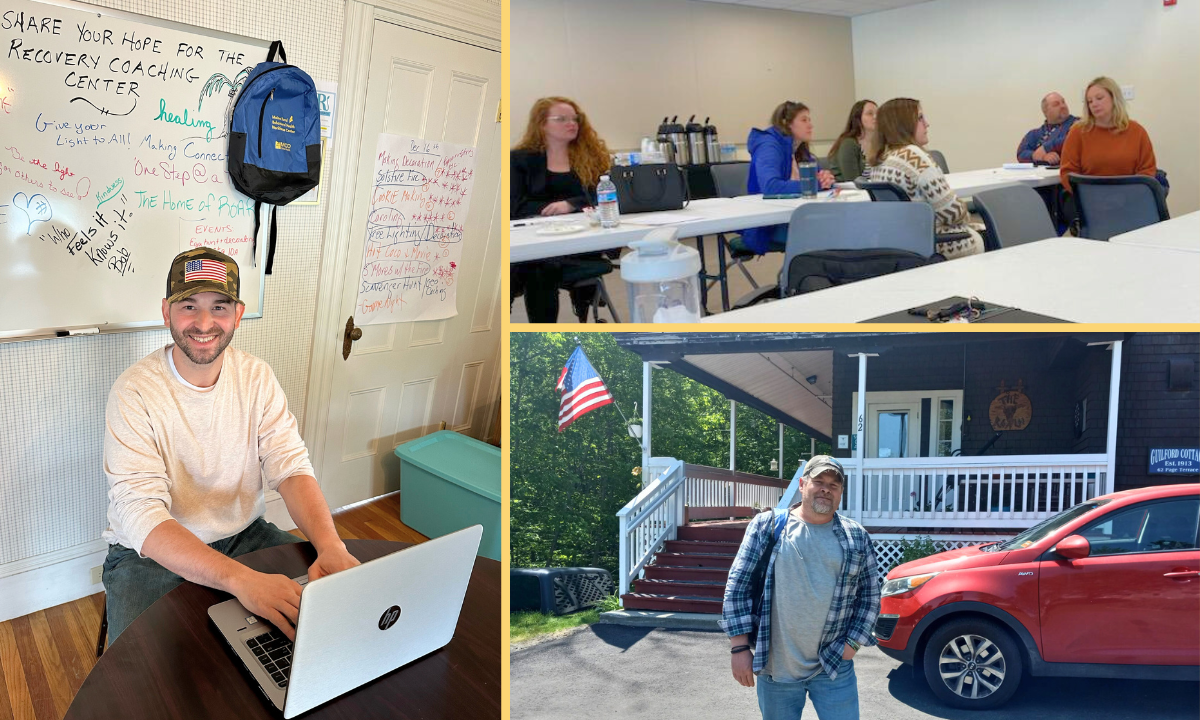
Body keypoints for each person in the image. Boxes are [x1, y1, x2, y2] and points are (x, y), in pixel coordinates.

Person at [101, 247, 361, 644]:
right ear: (167, 312)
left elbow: (290, 467)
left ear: (237, 314)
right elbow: (142, 514)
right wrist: (241, 580)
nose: (204, 323)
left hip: (245, 534)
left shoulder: (256, 376)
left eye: (219, 307)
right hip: (148, 557)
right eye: (189, 305)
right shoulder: (134, 391)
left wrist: (331, 546)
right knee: (139, 676)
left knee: (333, 615)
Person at [722, 456, 880, 720]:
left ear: (841, 492)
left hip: (833, 666)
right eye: (818, 481)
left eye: (834, 485)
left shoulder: (856, 536)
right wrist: (739, 648)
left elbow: (871, 596)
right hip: (776, 668)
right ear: (802, 483)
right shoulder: (767, 527)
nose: (825, 489)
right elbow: (738, 585)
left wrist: (851, 644)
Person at [510, 96, 612, 323]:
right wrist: (550, 209)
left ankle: (541, 338)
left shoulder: (591, 157)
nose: (572, 124)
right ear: (542, 124)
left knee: (537, 267)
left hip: (580, 242)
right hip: (534, 239)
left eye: (575, 119)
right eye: (562, 119)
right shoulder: (520, 160)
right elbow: (514, 206)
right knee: (535, 265)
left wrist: (570, 205)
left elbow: (602, 196)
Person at [868, 98, 984, 258]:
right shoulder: (912, 155)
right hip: (935, 244)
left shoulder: (880, 161)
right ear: (904, 124)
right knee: (991, 230)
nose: (927, 124)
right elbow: (952, 213)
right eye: (920, 118)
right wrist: (966, 213)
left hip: (903, 244)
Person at [743, 101, 837, 255]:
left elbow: (817, 180)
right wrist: (816, 184)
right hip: (767, 225)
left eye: (810, 120)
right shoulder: (768, 145)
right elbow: (771, 187)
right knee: (829, 230)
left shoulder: (799, 149)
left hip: (795, 216)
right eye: (804, 120)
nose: (810, 125)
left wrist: (826, 180)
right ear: (787, 124)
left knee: (837, 224)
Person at [1059, 76, 1157, 193]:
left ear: (1114, 98)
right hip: (1090, 200)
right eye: (1090, 101)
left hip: (1130, 198)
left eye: (1099, 98)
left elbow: (1147, 170)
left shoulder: (1137, 131)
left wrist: (1130, 195)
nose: (1094, 104)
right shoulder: (1077, 132)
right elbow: (1067, 173)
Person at [1016, 92, 1078, 165]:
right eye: (1056, 104)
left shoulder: (1079, 124)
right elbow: (1021, 154)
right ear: (1045, 111)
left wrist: (1046, 148)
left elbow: (1072, 140)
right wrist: (1040, 156)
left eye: (1063, 102)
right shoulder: (1035, 133)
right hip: (1042, 175)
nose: (1063, 106)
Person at [827, 100, 877, 182]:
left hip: (871, 191)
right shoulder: (848, 144)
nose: (875, 117)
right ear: (858, 118)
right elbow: (853, 180)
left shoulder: (879, 143)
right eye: (870, 114)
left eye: (878, 113)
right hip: (851, 192)